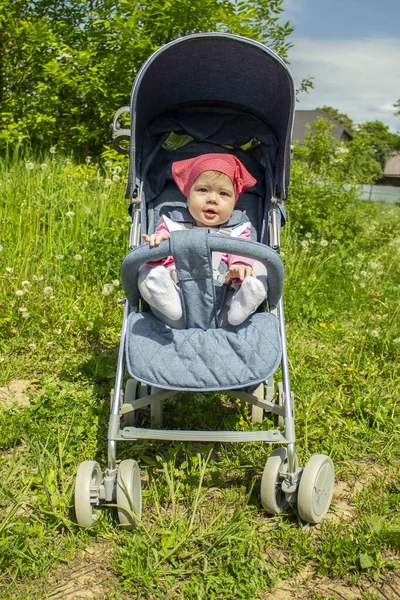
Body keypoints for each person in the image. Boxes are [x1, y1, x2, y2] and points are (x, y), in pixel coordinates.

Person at [138, 153, 267, 328]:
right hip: (176, 304)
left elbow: (242, 254)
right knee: (145, 267)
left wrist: (241, 266)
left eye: (223, 193)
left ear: (234, 202)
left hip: (223, 306)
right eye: (203, 190)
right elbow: (157, 258)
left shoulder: (238, 229)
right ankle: (164, 296)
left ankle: (242, 304)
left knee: (260, 264)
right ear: (187, 194)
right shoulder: (172, 223)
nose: (212, 199)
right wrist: (156, 247)